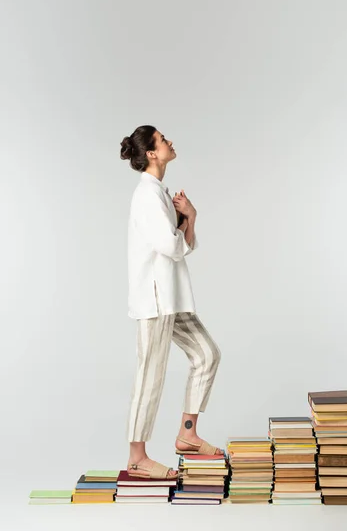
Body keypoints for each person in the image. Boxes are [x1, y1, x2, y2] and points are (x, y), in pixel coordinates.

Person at [120, 125, 223, 480]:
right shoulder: (147, 195)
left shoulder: (160, 193)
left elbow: (183, 246)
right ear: (151, 152)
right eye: (162, 140)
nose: (169, 142)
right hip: (154, 300)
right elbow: (173, 246)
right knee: (150, 375)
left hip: (173, 299)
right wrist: (184, 225)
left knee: (206, 354)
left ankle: (187, 434)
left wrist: (189, 217)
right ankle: (137, 457)